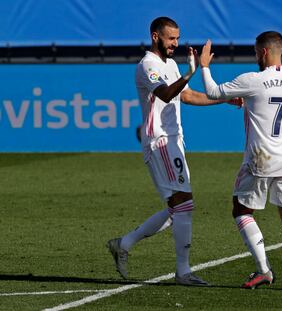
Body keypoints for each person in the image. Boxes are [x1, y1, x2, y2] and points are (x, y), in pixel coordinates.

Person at [107, 16, 241, 286]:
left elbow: (187, 96)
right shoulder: (148, 65)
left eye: (177, 38)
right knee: (183, 205)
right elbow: (166, 94)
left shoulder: (170, 64)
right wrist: (189, 73)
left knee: (176, 207)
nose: (175, 44)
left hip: (174, 140)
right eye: (171, 39)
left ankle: (124, 244)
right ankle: (183, 272)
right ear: (155, 36)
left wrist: (224, 99)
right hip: (160, 141)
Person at [199, 31, 282, 290]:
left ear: (263, 52)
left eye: (256, 52)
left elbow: (211, 92)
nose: (255, 56)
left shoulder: (252, 80)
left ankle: (264, 269)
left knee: (241, 210)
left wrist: (205, 66)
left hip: (259, 160)